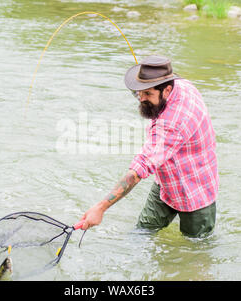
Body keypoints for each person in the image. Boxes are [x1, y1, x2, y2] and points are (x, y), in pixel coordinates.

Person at [79, 55, 219, 238]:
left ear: (167, 90)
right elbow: (149, 95)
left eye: (147, 94)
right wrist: (141, 89)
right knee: (140, 235)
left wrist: (101, 207)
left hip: (195, 193)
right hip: (166, 184)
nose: (140, 98)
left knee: (195, 251)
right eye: (139, 92)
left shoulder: (173, 124)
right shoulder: (180, 85)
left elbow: (139, 169)